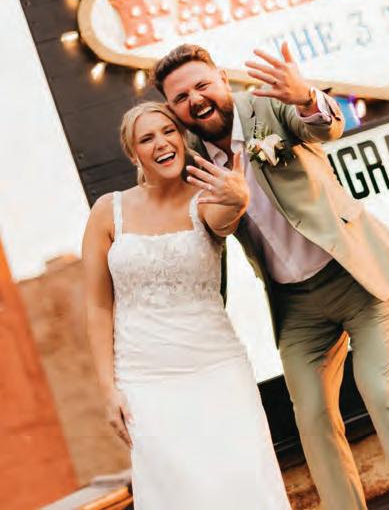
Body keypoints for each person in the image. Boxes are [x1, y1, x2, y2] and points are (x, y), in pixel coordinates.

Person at [152, 43, 389, 510]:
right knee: (311, 418)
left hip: (354, 276)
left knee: (382, 391)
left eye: (202, 85)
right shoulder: (191, 161)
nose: (196, 100)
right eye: (181, 97)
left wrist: (306, 97)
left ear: (223, 79)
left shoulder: (268, 106)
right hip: (296, 306)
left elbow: (326, 126)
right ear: (173, 108)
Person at [82, 101, 291, 510]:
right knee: (179, 493)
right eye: (147, 138)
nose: (161, 143)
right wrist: (108, 390)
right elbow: (97, 306)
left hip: (216, 369)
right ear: (134, 155)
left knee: (244, 481)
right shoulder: (108, 212)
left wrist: (238, 197)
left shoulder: (205, 199)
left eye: (168, 132)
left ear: (182, 139)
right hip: (144, 380)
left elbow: (225, 219)